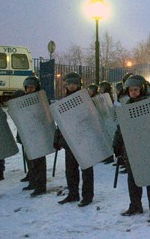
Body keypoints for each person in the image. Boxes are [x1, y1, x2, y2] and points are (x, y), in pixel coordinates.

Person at [113, 74, 150, 222]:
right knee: (133, 178)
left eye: (135, 89)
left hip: (148, 146)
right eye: (130, 90)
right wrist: (117, 143)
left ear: (141, 89)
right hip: (132, 147)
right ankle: (135, 205)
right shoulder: (127, 105)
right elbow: (121, 126)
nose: (133, 92)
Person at [54, 72, 94, 207]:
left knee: (86, 169)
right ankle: (73, 194)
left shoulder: (84, 98)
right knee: (70, 169)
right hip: (70, 140)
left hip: (83, 138)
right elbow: (61, 122)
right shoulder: (64, 100)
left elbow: (90, 117)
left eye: (74, 84)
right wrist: (57, 138)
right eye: (69, 84)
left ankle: (87, 196)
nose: (71, 86)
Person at [20, 76, 47, 197]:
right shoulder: (23, 99)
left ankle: (40, 186)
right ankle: (32, 181)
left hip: (39, 133)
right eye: (28, 87)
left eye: (32, 87)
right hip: (28, 133)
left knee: (39, 161)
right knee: (30, 160)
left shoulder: (41, 99)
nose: (30, 89)